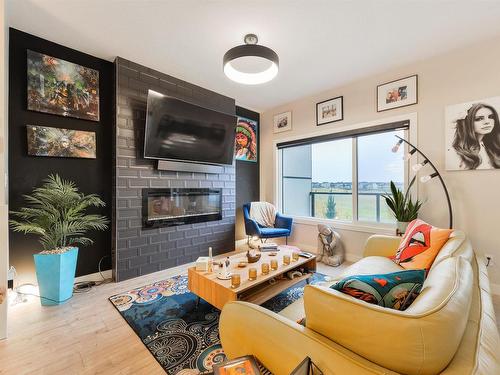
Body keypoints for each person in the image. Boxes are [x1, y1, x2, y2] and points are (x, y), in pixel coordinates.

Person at [451, 103, 500, 169]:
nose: (487, 122)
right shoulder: (455, 153)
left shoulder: (492, 147)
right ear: (467, 123)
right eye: (479, 119)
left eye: (491, 117)